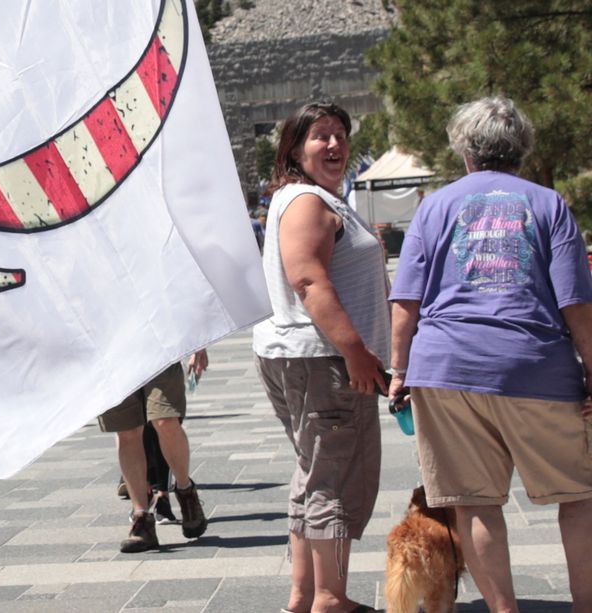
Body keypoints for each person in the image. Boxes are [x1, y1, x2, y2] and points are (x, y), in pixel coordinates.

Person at [389, 97, 592, 613]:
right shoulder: (548, 205)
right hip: (536, 367)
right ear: (522, 149)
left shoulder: (434, 206)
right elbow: (576, 304)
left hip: (446, 366)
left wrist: (399, 371)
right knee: (580, 495)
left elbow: (405, 301)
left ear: (464, 151)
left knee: (474, 502)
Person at [252, 101, 389, 613]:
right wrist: (356, 353)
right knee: (336, 477)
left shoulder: (307, 197)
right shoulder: (308, 201)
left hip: (305, 358)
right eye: (320, 136)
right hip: (324, 360)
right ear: (294, 148)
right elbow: (308, 279)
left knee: (314, 474)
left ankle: (305, 595)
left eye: (340, 135)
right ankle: (331, 598)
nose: (334, 145)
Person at [98, 351, 209, 552]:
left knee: (165, 420)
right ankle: (141, 518)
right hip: (111, 354)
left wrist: (198, 347)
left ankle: (186, 491)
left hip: (157, 347)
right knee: (127, 431)